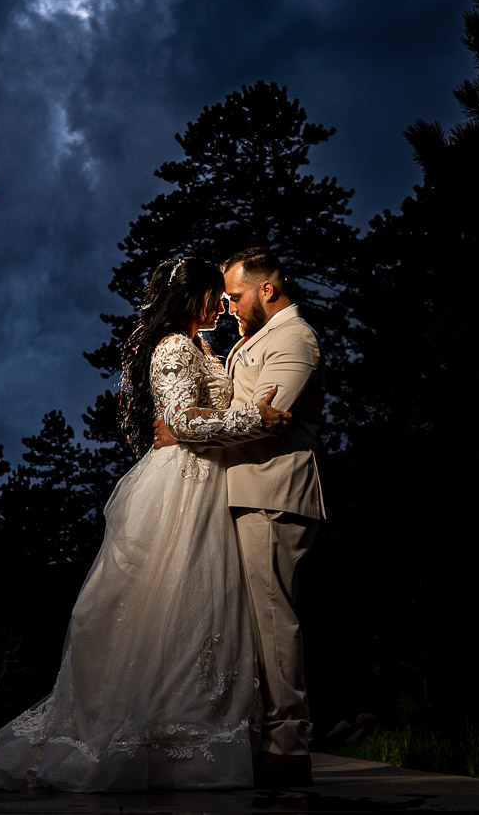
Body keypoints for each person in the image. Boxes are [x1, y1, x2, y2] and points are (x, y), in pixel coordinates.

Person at [0, 255, 290, 792]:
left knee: (197, 611)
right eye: (215, 295)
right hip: (181, 487)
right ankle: (145, 739)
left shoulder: (200, 347)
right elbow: (186, 422)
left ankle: (185, 735)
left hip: (206, 483)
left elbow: (187, 421)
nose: (222, 304)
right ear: (193, 298)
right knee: (164, 602)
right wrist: (253, 418)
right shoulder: (172, 348)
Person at [154, 247, 324, 789]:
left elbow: (269, 421)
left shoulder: (294, 339)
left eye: (235, 296)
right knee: (241, 626)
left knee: (273, 622)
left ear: (267, 290)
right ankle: (251, 735)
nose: (227, 307)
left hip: (270, 492)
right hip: (235, 492)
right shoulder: (248, 342)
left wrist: (186, 427)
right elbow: (241, 408)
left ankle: (289, 745)